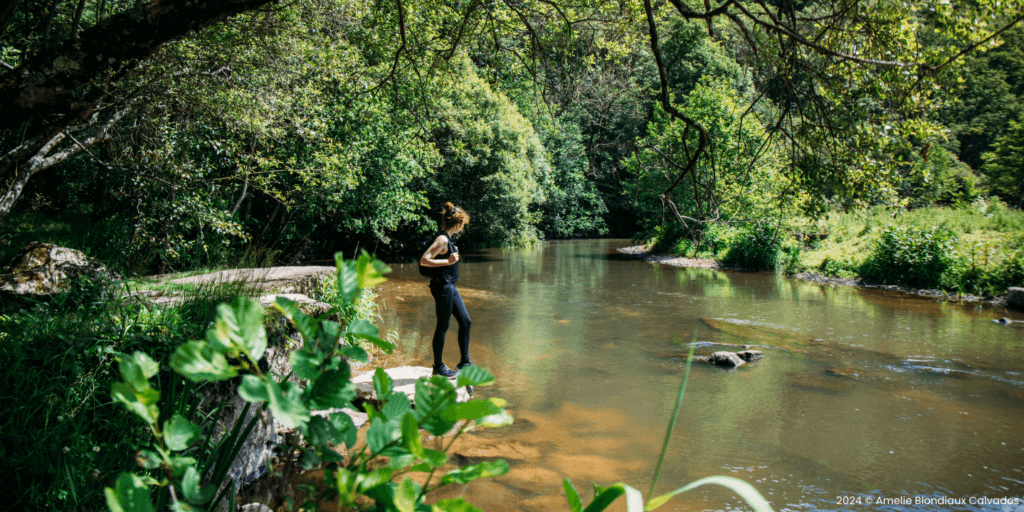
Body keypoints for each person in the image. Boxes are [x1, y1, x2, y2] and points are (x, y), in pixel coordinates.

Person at [419, 202, 473, 378]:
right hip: (442, 287)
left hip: (449, 285)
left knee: (465, 321)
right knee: (442, 326)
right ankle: (438, 367)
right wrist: (448, 261)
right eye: (462, 225)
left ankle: (464, 362)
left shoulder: (447, 239)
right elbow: (424, 260)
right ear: (457, 224)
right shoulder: (442, 240)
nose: (462, 228)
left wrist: (450, 257)